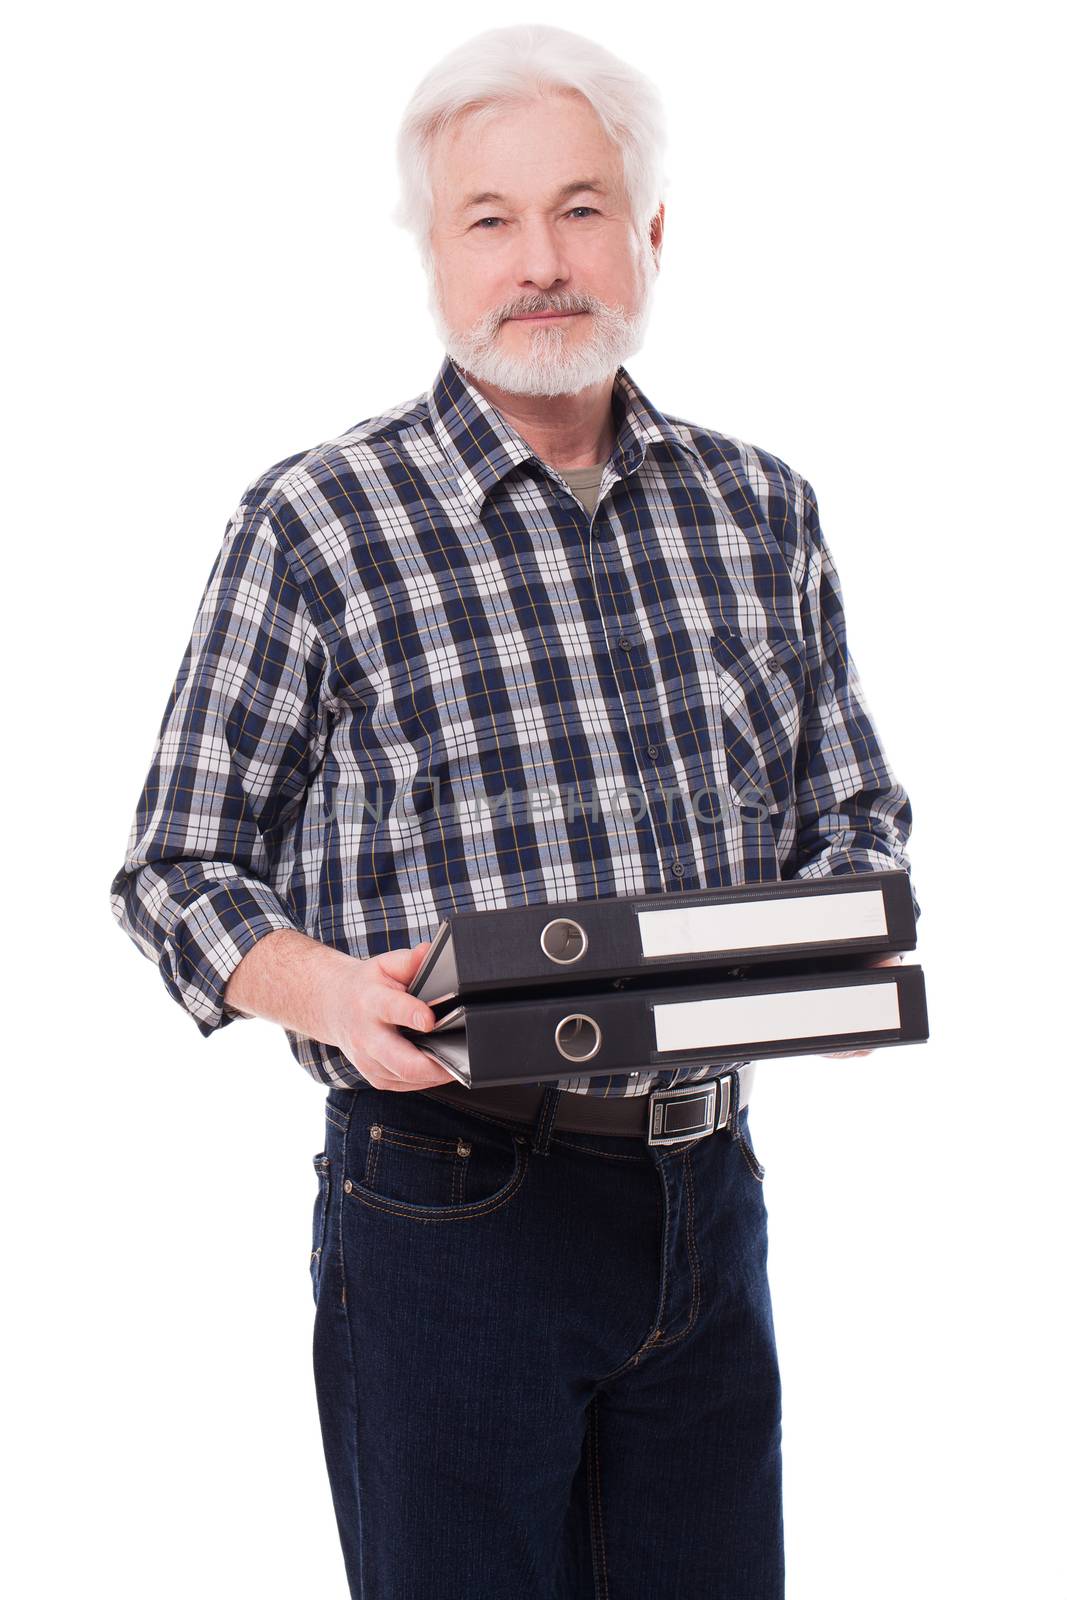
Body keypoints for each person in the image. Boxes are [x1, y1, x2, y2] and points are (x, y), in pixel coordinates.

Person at [109, 23, 919, 1599]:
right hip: (449, 1203)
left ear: (652, 233)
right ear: (433, 253)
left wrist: (835, 952)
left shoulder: (764, 509)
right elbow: (175, 866)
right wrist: (331, 996)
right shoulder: (318, 524)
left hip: (709, 1191)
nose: (541, 260)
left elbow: (855, 812)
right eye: (490, 220)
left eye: (582, 207)